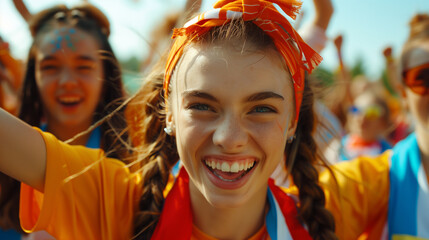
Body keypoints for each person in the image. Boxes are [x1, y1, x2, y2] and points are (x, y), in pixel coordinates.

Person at [0, 0, 337, 239]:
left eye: (261, 108)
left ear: (293, 119)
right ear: (169, 113)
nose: (229, 137)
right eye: (202, 106)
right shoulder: (115, 202)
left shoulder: (332, 208)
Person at [0, 3, 129, 239]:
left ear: (106, 73)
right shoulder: (5, 163)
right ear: (32, 76)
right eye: (50, 67)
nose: (67, 81)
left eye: (83, 67)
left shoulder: (138, 165)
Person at [321, 13, 429, 239]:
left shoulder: (385, 147)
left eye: (371, 112)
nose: (362, 118)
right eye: (424, 77)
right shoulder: (373, 178)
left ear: (385, 120)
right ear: (403, 93)